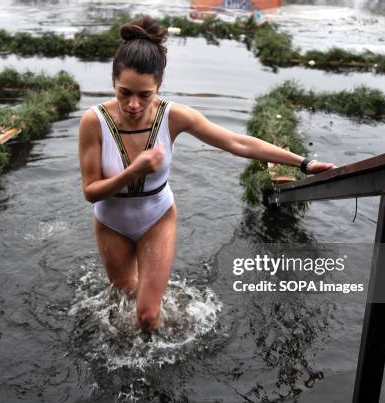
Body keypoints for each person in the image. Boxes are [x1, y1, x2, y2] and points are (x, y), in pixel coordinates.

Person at [78, 16, 335, 333]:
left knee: (146, 316)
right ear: (113, 82)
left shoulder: (173, 117)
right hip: (111, 223)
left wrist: (304, 163)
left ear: (158, 88)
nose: (133, 104)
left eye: (144, 95)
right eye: (124, 92)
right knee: (125, 298)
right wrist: (135, 170)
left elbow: (237, 142)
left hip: (155, 219)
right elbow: (91, 190)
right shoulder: (94, 121)